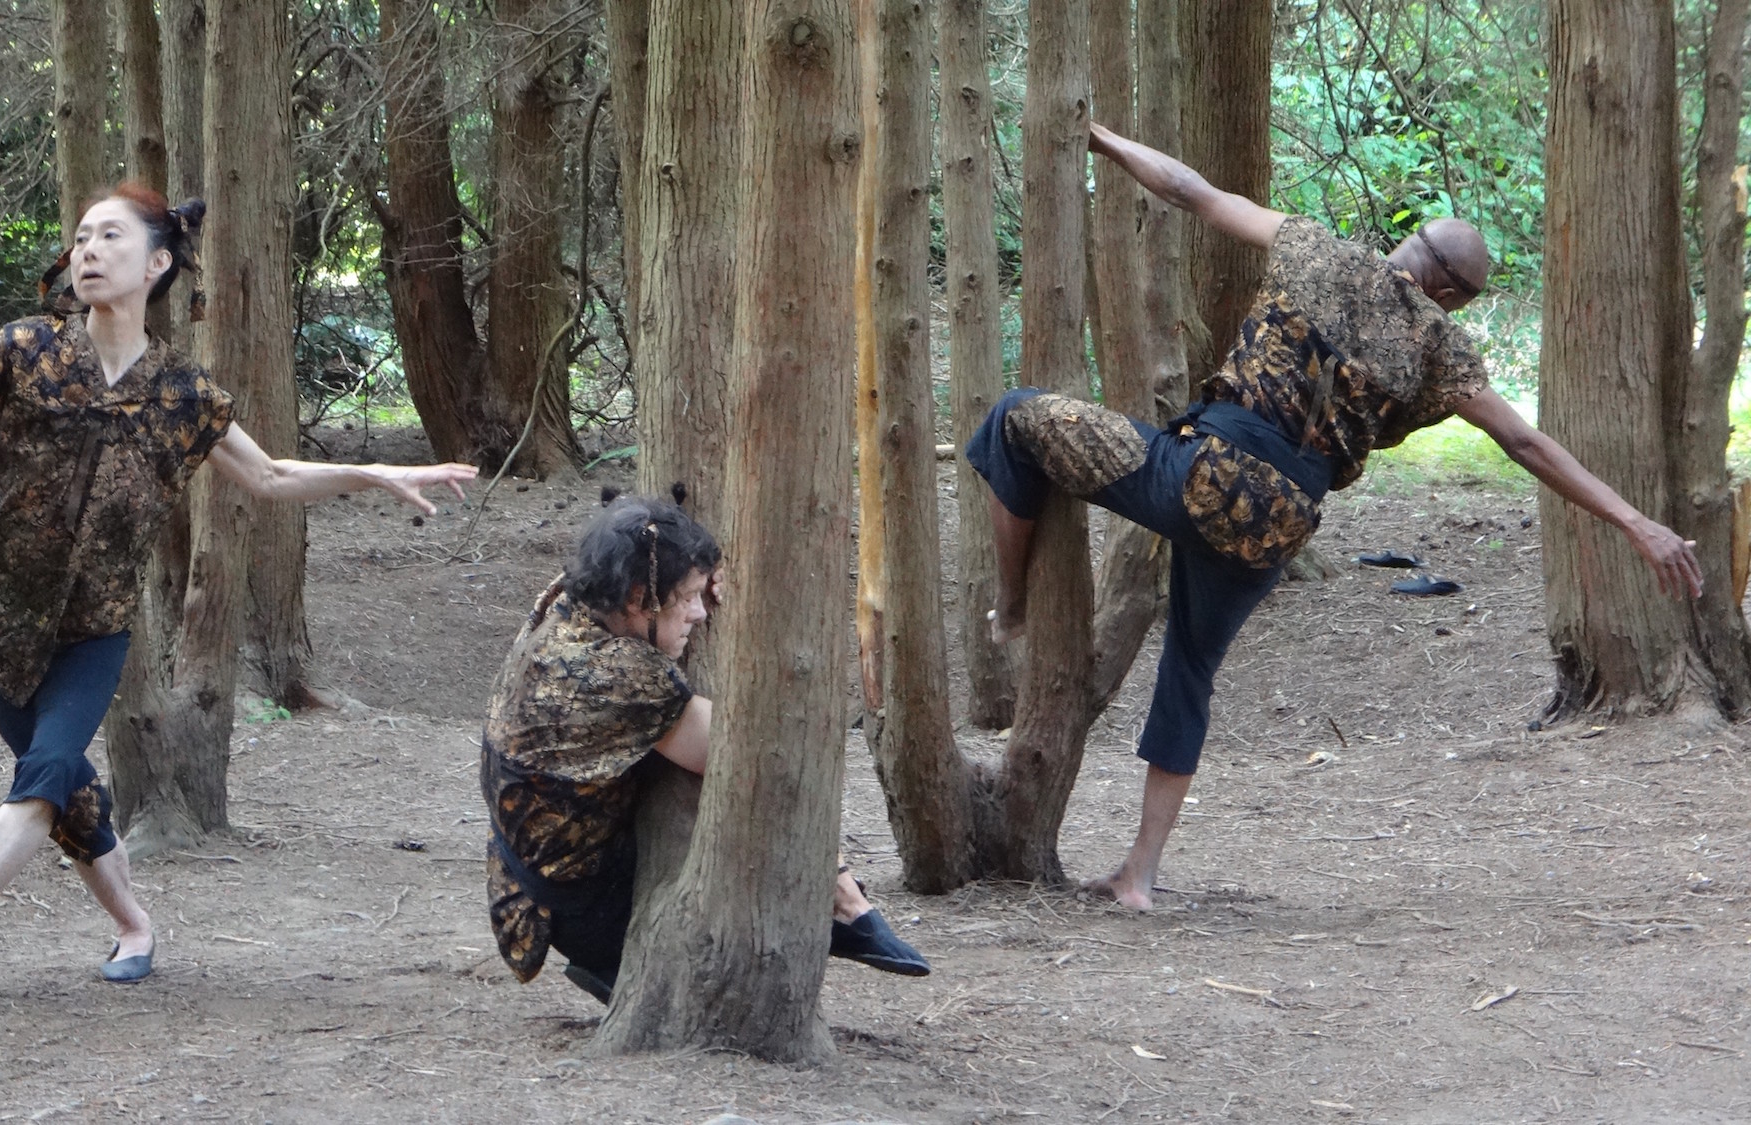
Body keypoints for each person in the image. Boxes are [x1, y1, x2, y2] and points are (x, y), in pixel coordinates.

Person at [965, 122, 1704, 912]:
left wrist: (1106, 139)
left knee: (1014, 419)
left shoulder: (1314, 248)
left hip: (1202, 477)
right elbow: (1524, 442)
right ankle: (1139, 875)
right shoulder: (1440, 346)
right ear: (1451, 294)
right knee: (1191, 674)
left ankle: (1010, 607)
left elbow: (1190, 189)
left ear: (1409, 247)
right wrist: (1635, 520)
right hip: (1279, 525)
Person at [0, 183, 480, 1017]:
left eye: (108, 236)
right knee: (67, 790)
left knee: (42, 779)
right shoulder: (26, 351)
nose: (86, 250)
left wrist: (377, 472)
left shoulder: (183, 396)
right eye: (79, 237)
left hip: (93, 632)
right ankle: (137, 924)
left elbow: (270, 475)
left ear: (156, 263)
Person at [483, 496, 929, 1003]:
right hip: (582, 909)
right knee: (754, 778)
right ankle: (845, 906)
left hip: (530, 882)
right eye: (688, 596)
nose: (700, 611)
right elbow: (752, 757)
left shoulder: (563, 605)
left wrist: (700, 576)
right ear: (637, 598)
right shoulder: (614, 672)